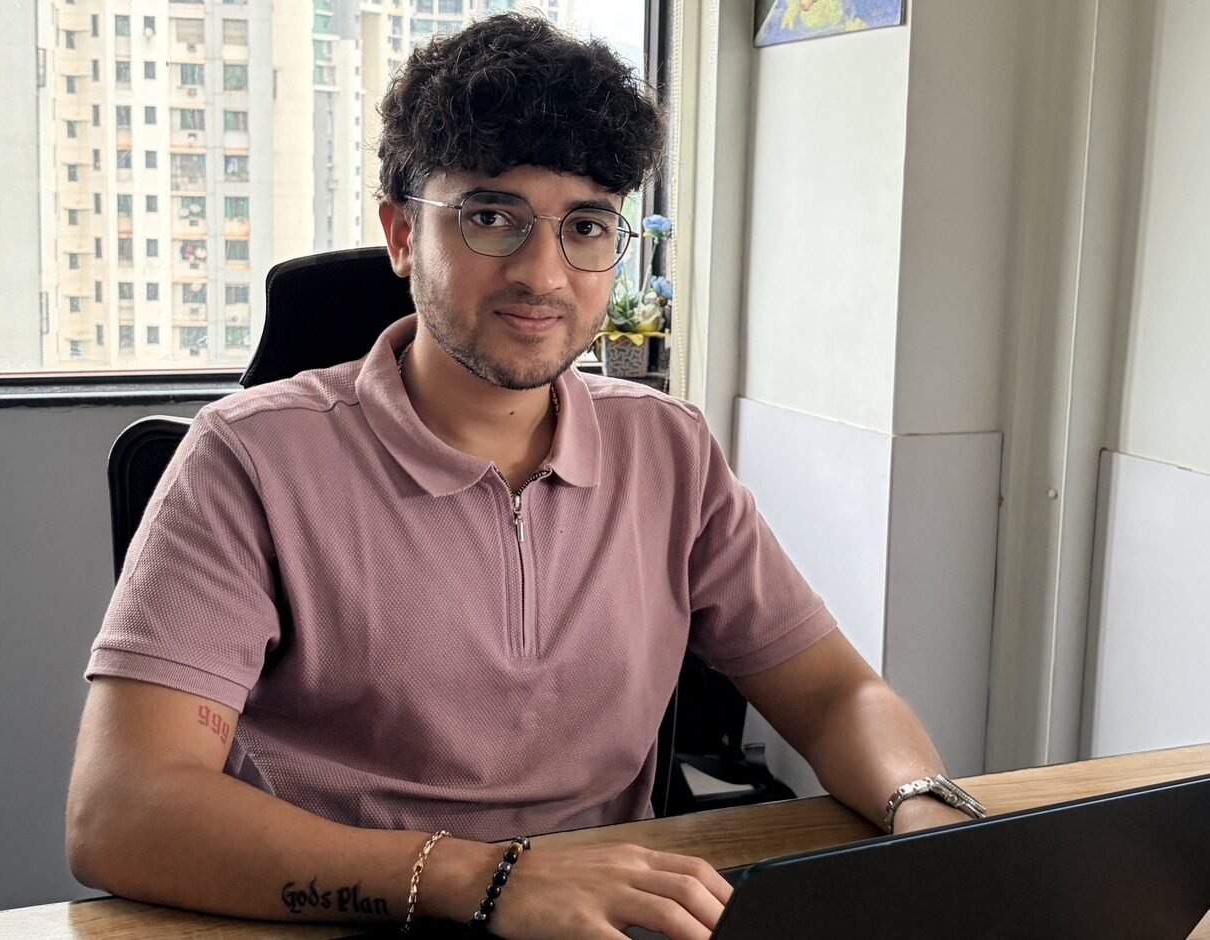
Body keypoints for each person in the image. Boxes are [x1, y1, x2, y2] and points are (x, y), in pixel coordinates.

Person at [66, 14, 979, 940]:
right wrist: (487, 880)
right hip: (341, 918)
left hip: (605, 921)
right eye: (491, 218)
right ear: (401, 234)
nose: (543, 275)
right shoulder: (248, 460)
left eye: (585, 226)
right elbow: (124, 808)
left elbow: (835, 693)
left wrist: (927, 814)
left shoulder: (668, 450)